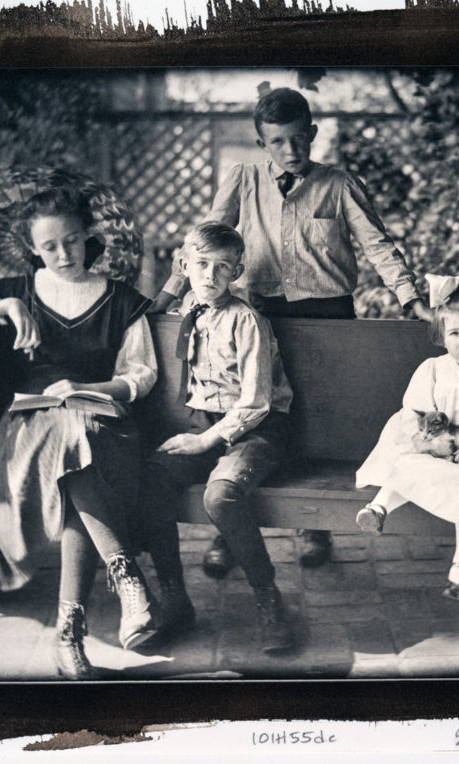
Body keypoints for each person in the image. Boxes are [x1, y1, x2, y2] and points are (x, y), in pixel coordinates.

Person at [152, 86, 432, 573]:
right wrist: (168, 297)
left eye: (299, 139)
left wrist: (411, 298)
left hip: (328, 317)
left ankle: (313, 524)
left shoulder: (340, 184)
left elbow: (378, 245)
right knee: (253, 413)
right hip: (261, 311)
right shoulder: (242, 179)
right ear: (262, 143)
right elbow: (207, 238)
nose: (290, 151)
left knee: (313, 415)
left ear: (313, 134)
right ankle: (229, 528)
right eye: (277, 141)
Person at [0, 187, 161, 680]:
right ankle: (123, 577)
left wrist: (87, 387)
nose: (64, 254)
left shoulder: (122, 300)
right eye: (50, 247)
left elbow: (141, 375)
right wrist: (3, 309)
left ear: (88, 238)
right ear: (34, 249)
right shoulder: (14, 289)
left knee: (81, 447)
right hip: (29, 433)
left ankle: (69, 639)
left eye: (73, 241)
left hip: (103, 424)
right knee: (72, 447)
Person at [143, 221, 296, 655]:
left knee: (220, 496)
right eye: (202, 265)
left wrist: (204, 441)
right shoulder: (189, 308)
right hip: (203, 422)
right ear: (183, 265)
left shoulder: (247, 321)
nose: (210, 276)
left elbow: (256, 403)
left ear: (237, 271)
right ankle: (174, 598)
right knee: (152, 480)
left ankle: (268, 597)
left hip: (256, 428)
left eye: (223, 268)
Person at [354, 274, 459, 600]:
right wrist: (426, 442)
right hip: (439, 452)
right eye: (455, 333)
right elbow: (413, 413)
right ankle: (378, 508)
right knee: (404, 460)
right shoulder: (434, 369)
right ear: (441, 337)